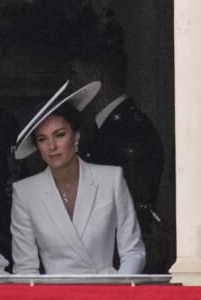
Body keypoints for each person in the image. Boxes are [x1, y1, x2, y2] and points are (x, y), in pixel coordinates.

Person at [11, 81, 146, 274]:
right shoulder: (25, 192)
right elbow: (25, 268)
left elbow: (133, 252)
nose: (52, 146)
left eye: (59, 135)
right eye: (42, 139)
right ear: (37, 147)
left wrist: (118, 292)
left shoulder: (111, 180)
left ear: (76, 137)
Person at [69, 28, 171, 273]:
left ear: (97, 78)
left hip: (120, 260)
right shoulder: (102, 128)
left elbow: (132, 202)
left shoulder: (130, 129)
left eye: (74, 75)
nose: (71, 86)